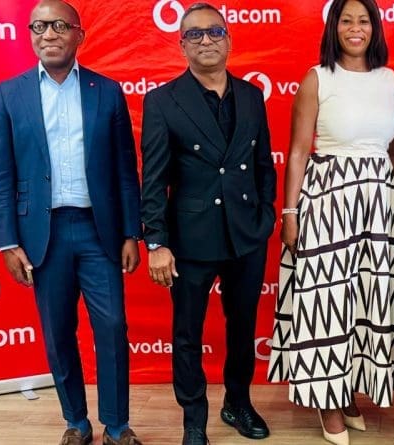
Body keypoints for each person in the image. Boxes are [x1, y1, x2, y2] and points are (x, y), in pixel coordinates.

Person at [0, 1, 142, 444]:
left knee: (111, 327)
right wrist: (7, 242)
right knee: (58, 333)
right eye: (38, 26)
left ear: (79, 35)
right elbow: (2, 173)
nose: (48, 34)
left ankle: (117, 426)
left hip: (99, 230)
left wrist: (131, 232)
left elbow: (124, 169)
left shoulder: (106, 91)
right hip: (44, 234)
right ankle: (76, 422)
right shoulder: (10, 94)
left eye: (59, 25)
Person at [266, 0, 394, 444]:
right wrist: (290, 213)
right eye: (346, 20)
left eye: (363, 20)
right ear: (334, 28)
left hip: (379, 204)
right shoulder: (317, 78)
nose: (355, 28)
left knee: (368, 300)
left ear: (375, 28)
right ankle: (326, 403)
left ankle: (347, 394)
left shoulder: (390, 81)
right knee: (326, 301)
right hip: (327, 200)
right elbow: (297, 151)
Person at [139, 3, 276, 444]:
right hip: (190, 239)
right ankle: (194, 419)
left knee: (243, 328)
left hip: (246, 234)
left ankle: (238, 403)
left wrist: (266, 215)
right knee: (187, 334)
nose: (206, 40)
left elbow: (263, 164)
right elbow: (153, 179)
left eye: (214, 32)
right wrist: (156, 242)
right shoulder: (162, 101)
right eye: (194, 34)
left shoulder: (251, 96)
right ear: (182, 45)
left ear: (229, 39)